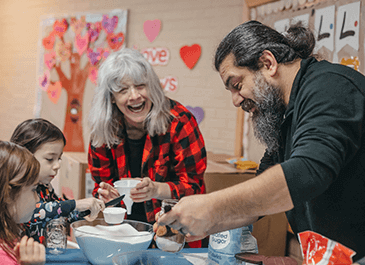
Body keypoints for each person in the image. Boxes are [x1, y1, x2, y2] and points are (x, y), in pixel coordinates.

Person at [156, 20, 365, 261]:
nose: (235, 101)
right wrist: (205, 224)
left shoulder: (330, 88)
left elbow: (307, 171)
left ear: (268, 63)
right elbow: (259, 200)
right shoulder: (285, 114)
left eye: (237, 85)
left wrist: (210, 206)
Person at [88, 48, 207, 230]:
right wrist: (107, 196)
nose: (135, 96)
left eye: (140, 85)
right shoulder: (104, 129)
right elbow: (100, 185)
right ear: (111, 98)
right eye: (123, 90)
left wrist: (156, 190)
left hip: (174, 232)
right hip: (124, 230)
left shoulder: (179, 122)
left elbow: (194, 188)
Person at [10, 118, 105, 243]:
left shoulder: (45, 186)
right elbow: (36, 211)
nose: (57, 165)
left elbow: (59, 211)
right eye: (50, 159)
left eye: (59, 159)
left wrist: (83, 212)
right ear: (25, 155)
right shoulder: (16, 188)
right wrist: (76, 204)